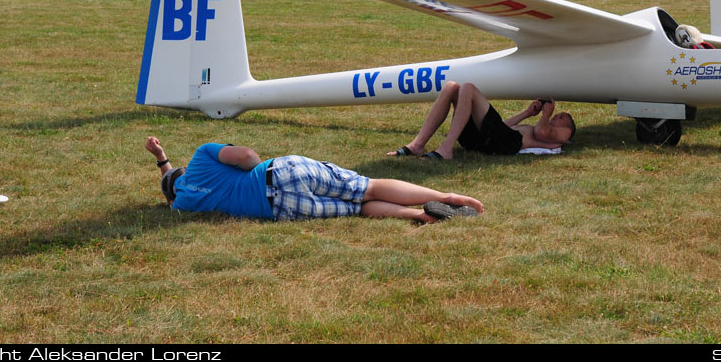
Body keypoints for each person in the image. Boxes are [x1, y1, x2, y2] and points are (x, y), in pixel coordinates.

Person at [145, 137, 483, 223]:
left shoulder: (184, 204)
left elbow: (171, 189)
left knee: (360, 210)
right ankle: (446, 195)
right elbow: (247, 156)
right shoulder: (202, 156)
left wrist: (163, 163)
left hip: (281, 209)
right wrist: (161, 157)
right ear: (182, 170)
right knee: (369, 187)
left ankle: (419, 216)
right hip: (281, 172)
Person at [387, 81, 576, 161]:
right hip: (491, 139)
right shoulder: (535, 126)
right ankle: (417, 145)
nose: (558, 116)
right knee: (452, 87)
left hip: (505, 144)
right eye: (559, 114)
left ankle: (446, 149)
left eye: (563, 117)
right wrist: (527, 113)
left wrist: (545, 114)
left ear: (568, 127)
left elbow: (543, 133)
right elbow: (504, 127)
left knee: (468, 88)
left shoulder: (564, 134)